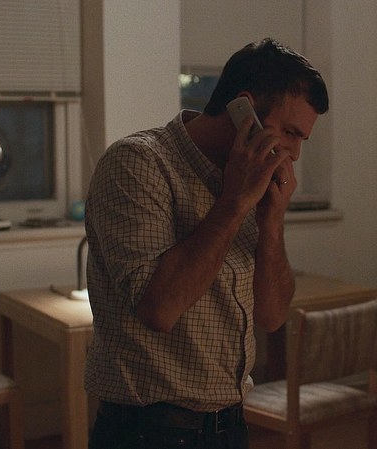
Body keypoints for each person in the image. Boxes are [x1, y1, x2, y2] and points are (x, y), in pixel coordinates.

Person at [84, 38, 329, 449]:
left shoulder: (251, 180)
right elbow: (159, 309)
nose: (295, 154)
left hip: (229, 426)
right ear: (243, 109)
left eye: (302, 139)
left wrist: (271, 224)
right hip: (148, 432)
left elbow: (271, 317)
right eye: (290, 133)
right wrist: (234, 202)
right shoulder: (138, 163)